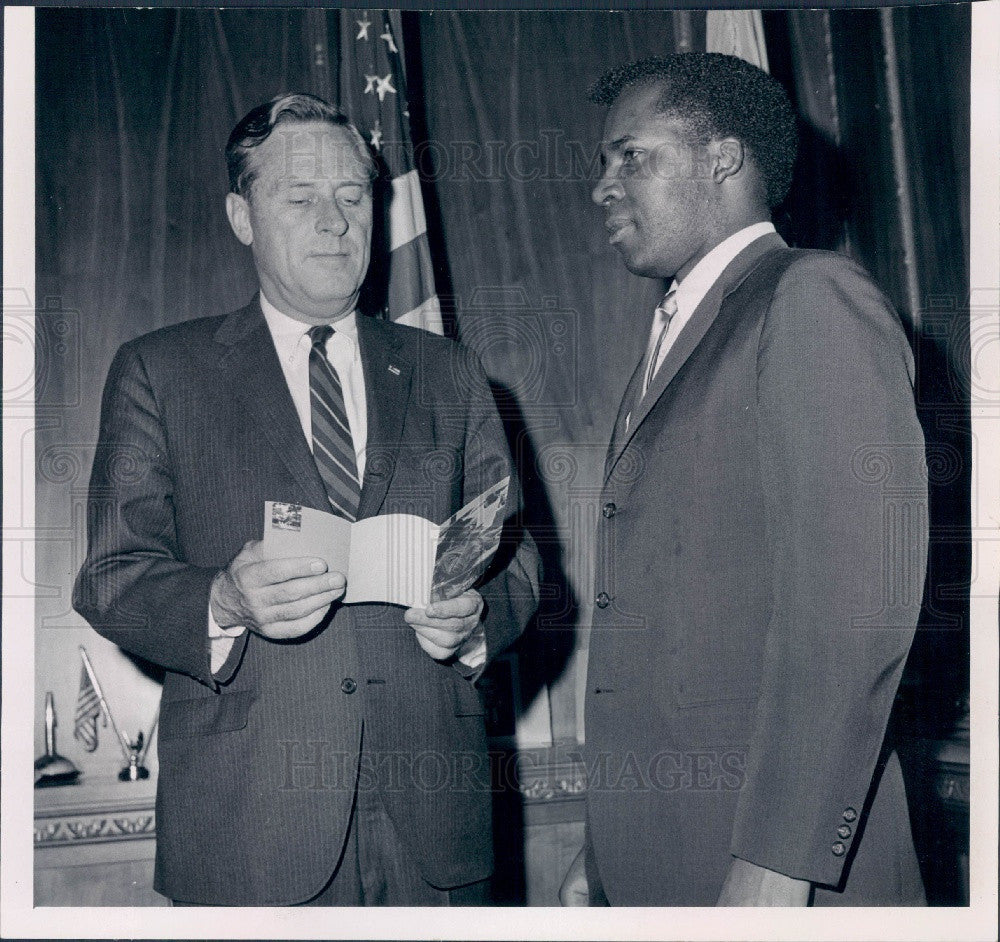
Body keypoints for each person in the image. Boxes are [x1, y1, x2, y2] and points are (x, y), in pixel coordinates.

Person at [73, 93, 540, 906]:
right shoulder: (159, 370)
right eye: (299, 197)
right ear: (241, 216)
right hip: (250, 828)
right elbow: (112, 576)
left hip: (437, 826)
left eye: (353, 197)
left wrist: (476, 623)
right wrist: (219, 599)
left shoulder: (450, 372)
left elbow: (521, 556)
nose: (334, 221)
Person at [559, 54, 928, 907]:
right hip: (669, 850)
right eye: (603, 164)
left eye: (630, 157)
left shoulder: (809, 299)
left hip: (772, 865)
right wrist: (605, 843)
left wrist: (781, 858)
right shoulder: (679, 335)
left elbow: (854, 606)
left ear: (722, 160)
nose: (602, 188)